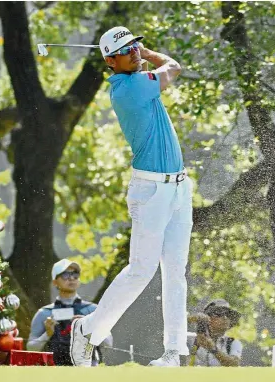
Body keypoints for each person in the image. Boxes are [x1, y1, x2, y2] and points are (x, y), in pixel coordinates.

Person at [69, 26, 193, 367]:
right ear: (110, 61)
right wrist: (154, 55)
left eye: (136, 45)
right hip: (150, 190)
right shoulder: (129, 89)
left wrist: (143, 53)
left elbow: (169, 69)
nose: (135, 52)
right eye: (126, 50)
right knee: (141, 270)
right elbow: (174, 67)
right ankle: (88, 331)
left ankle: (173, 353)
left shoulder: (137, 76)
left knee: (175, 272)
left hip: (180, 187)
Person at [27, 259, 112, 365]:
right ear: (55, 282)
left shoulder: (93, 310)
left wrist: (91, 328)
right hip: (54, 372)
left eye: (75, 274)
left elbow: (108, 344)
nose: (71, 278)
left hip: (89, 373)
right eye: (65, 275)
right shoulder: (44, 313)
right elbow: (30, 348)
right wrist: (47, 334)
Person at [187, 299, 243, 367]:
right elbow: (173, 328)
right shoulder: (190, 339)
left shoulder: (233, 343)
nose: (225, 317)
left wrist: (213, 349)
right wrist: (190, 319)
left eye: (228, 314)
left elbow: (234, 364)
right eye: (219, 314)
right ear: (208, 317)